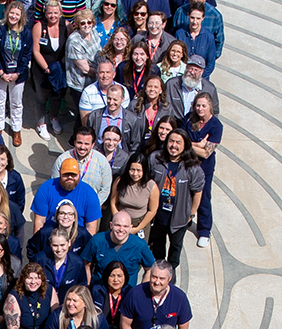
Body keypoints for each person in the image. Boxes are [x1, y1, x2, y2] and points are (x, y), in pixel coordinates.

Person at [150, 127, 206, 270]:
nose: (173, 145)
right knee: (157, 244)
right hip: (158, 214)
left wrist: (191, 214)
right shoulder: (155, 159)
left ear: (185, 145)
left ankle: (171, 271)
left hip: (179, 216)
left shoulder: (192, 167)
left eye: (178, 142)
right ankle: (159, 269)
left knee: (175, 247)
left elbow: (197, 192)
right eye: (171, 141)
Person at [184, 90, 222, 250]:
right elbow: (180, 139)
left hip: (204, 169)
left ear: (210, 107)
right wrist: (198, 144)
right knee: (184, 194)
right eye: (198, 105)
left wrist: (189, 145)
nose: (200, 109)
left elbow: (207, 152)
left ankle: (204, 231)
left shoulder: (216, 126)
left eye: (203, 106)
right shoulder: (188, 119)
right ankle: (185, 219)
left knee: (204, 198)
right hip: (186, 165)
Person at [30, 157, 102, 236]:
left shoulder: (89, 194)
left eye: (73, 175)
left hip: (77, 236)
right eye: (66, 174)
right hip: (51, 234)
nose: (70, 177)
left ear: (79, 173)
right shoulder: (46, 188)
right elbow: (39, 221)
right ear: (59, 172)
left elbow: (91, 227)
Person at [0, 0, 31, 147]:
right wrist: (1, 72)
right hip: (1, 73)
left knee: (16, 103)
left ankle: (16, 130)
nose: (13, 16)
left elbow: (27, 55)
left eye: (17, 14)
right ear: (7, 13)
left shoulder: (26, 33)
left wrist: (18, 73)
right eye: (11, 13)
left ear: (21, 16)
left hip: (18, 75)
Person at [83, 209, 156, 285]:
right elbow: (86, 264)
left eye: (125, 226)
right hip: (100, 291)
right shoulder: (97, 240)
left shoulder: (140, 245)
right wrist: (87, 287)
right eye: (118, 225)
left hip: (127, 293)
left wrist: (141, 291)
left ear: (130, 227)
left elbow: (150, 268)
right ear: (111, 225)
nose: (121, 229)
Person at [29, 0, 66, 140]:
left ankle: (54, 118)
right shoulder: (39, 27)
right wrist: (46, 68)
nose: (53, 16)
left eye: (55, 13)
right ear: (45, 13)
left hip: (58, 68)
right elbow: (36, 51)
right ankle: (41, 123)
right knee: (41, 97)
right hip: (42, 68)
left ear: (60, 13)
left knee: (57, 95)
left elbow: (67, 46)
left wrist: (61, 64)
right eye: (50, 13)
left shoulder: (65, 25)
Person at [86, 81, 146, 161]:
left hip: (120, 161)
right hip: (98, 158)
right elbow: (88, 138)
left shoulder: (131, 119)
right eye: (109, 98)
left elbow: (135, 144)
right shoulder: (95, 116)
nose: (111, 102)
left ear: (122, 99)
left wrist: (128, 160)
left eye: (115, 99)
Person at [56, 125, 112, 203]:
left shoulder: (102, 162)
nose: (82, 147)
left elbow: (105, 189)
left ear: (92, 144)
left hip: (90, 207)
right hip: (66, 206)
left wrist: (93, 206)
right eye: (79, 143)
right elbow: (55, 184)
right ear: (74, 142)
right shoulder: (62, 159)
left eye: (86, 144)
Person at [95, 258, 131, 329]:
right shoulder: (96, 291)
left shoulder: (130, 293)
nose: (116, 280)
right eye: (112, 276)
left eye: (119, 276)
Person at [175, 2, 221, 79]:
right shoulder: (180, 34)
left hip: (200, 78)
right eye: (192, 17)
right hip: (181, 76)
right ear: (188, 16)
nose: (195, 22)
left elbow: (210, 63)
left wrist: (199, 77)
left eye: (198, 18)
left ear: (203, 18)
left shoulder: (209, 37)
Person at [34, 228, 84, 300]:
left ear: (69, 243)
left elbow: (82, 286)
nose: (59, 249)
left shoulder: (77, 263)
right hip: (43, 302)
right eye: (55, 245)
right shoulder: (40, 259)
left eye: (62, 245)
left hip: (67, 304)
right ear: (50, 244)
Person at [167, 54, 219, 119]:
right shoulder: (172, 84)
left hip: (196, 125)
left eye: (196, 70)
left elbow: (214, 112)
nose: (192, 72)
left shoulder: (209, 89)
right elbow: (165, 105)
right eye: (190, 68)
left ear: (202, 72)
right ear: (186, 68)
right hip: (174, 124)